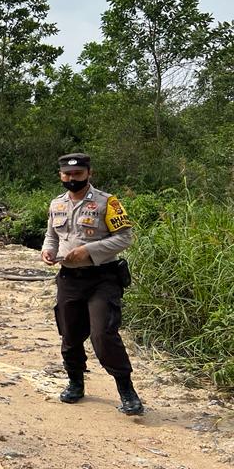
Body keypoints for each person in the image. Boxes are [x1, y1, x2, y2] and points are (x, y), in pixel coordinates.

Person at [41, 153, 143, 415]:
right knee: (70, 334)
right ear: (60, 175)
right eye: (67, 174)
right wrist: (48, 251)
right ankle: (75, 382)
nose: (72, 179)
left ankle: (127, 390)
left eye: (77, 174)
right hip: (69, 279)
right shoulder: (56, 204)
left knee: (103, 334)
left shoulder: (107, 202)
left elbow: (125, 238)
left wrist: (89, 250)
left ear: (89, 173)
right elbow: (52, 235)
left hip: (102, 278)